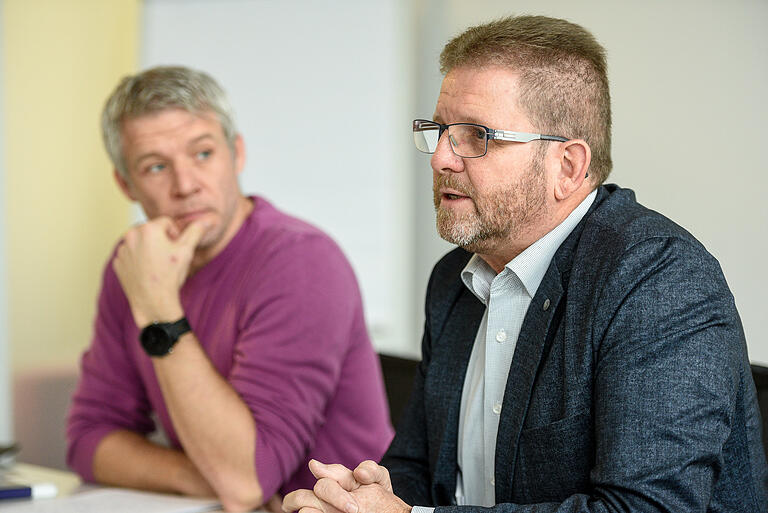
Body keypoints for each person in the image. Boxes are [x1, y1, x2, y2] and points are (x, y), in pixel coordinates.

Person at [282, 15, 768, 513]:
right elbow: (420, 470)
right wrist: (363, 500)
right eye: (441, 130)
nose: (441, 159)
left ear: (568, 167)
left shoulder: (659, 281)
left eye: (476, 135)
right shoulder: (453, 280)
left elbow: (645, 509)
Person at [66, 65, 393, 512]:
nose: (185, 185)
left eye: (202, 154)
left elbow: (243, 481)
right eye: (156, 166)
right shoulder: (135, 265)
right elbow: (89, 440)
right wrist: (199, 477)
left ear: (236, 154)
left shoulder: (300, 260)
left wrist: (159, 309)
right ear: (126, 184)